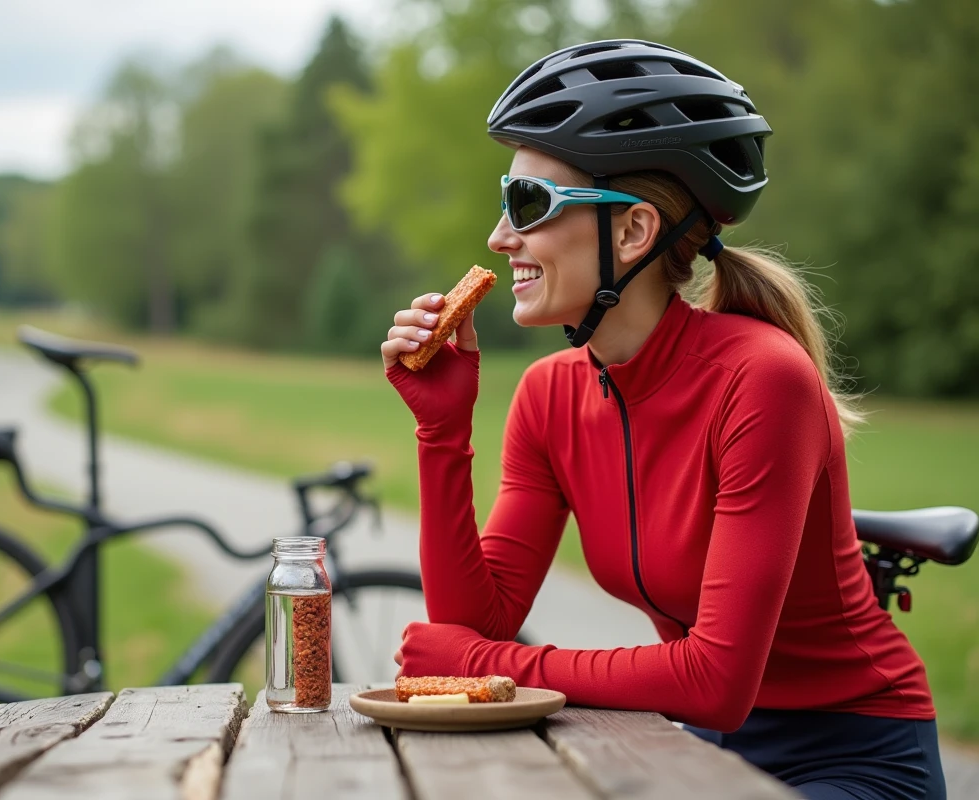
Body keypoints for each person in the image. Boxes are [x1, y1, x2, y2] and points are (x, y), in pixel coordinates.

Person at [382, 39, 945, 800]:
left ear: (633, 232)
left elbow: (714, 679)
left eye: (529, 205)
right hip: (693, 748)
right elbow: (472, 623)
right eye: (504, 201)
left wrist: (491, 666)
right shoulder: (550, 396)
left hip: (848, 754)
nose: (499, 236)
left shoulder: (762, 380)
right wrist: (441, 430)